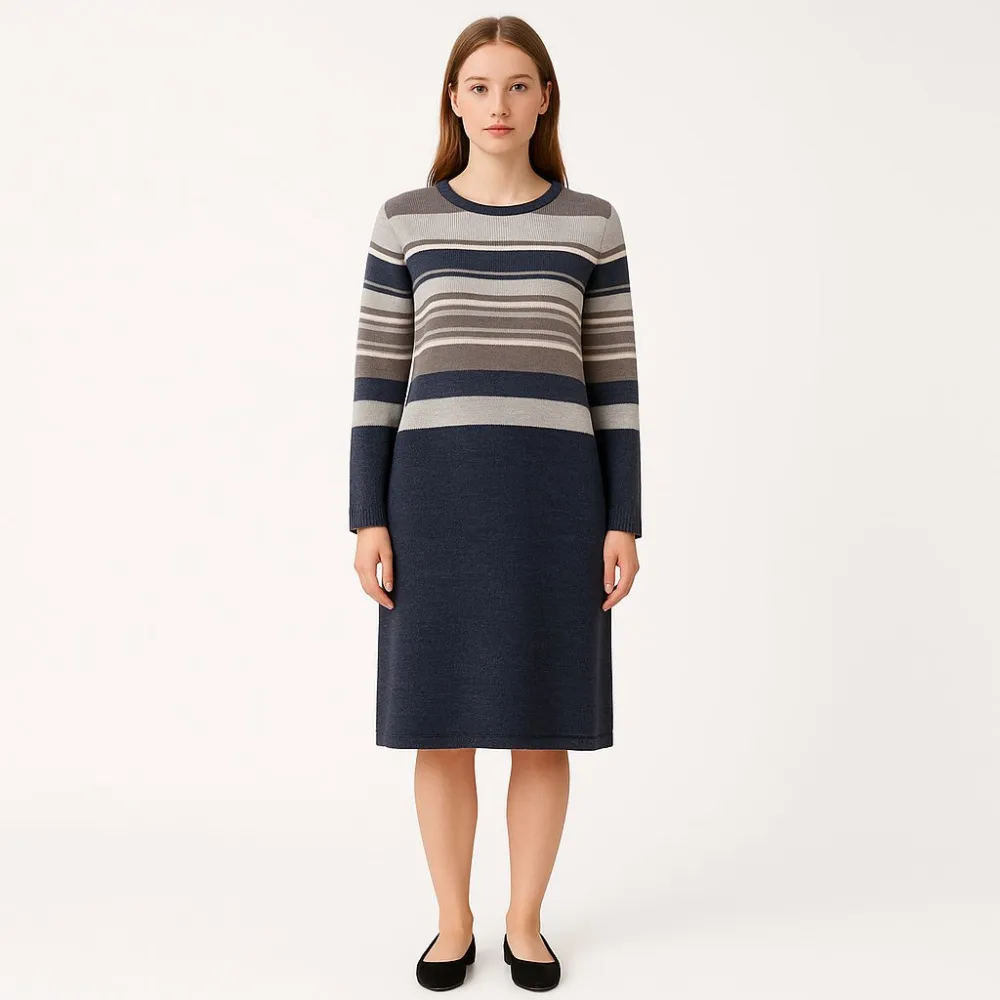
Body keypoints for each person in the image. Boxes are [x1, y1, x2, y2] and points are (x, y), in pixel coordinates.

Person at [348, 14, 642, 992]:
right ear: (453, 99)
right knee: (439, 723)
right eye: (479, 86)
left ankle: (524, 921)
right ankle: (451, 922)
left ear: (545, 98)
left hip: (557, 505)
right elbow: (376, 380)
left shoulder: (591, 224)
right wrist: (367, 515)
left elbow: (614, 384)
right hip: (431, 506)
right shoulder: (405, 221)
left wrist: (624, 518)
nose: (498, 104)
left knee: (542, 722)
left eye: (518, 85)